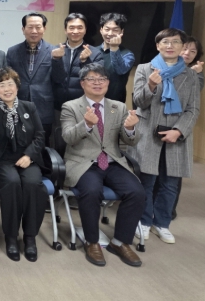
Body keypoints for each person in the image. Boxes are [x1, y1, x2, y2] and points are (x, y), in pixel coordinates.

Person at [61, 63, 145, 267]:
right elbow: (68, 137)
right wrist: (87, 124)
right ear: (83, 83)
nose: (97, 83)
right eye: (92, 79)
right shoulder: (70, 106)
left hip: (113, 161)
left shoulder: (119, 107)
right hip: (83, 162)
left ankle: (120, 242)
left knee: (137, 192)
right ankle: (92, 242)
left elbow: (130, 141)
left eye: (102, 79)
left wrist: (131, 129)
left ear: (108, 83)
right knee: (92, 191)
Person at [131, 28, 200, 244]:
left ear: (182, 47)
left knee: (170, 184)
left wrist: (178, 131)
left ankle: (162, 223)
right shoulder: (144, 69)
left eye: (176, 42)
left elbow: (193, 109)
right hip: (148, 132)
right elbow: (138, 101)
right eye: (165, 42)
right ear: (158, 45)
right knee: (147, 180)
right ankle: (143, 221)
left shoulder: (191, 75)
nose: (170, 46)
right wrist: (151, 85)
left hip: (176, 136)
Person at [0, 67, 48, 262]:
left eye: (10, 84)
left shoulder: (29, 107)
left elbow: (40, 136)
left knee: (32, 184)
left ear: (17, 87)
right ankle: (11, 236)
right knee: (11, 183)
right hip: (2, 159)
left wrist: (29, 155)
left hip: (27, 158)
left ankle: (30, 237)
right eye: (2, 85)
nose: (7, 89)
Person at [6, 13, 65, 145]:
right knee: (17, 143)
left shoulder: (55, 50)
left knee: (41, 144)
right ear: (23, 29)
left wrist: (57, 60)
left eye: (38, 27)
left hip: (43, 108)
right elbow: (8, 81)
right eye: (30, 27)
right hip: (17, 106)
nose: (34, 31)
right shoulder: (12, 51)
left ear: (44, 29)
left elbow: (59, 79)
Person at [168, 36, 204, 218]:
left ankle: (169, 209)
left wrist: (196, 75)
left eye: (193, 51)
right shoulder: (162, 67)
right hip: (158, 124)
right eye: (185, 48)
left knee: (175, 170)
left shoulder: (196, 75)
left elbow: (193, 104)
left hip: (180, 125)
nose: (187, 53)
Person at [53, 13, 103, 112]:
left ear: (85, 30)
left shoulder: (95, 53)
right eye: (71, 28)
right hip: (57, 106)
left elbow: (96, 81)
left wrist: (85, 61)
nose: (75, 31)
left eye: (80, 28)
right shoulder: (55, 51)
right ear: (65, 30)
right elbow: (55, 78)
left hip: (84, 107)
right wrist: (56, 60)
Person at [96, 13, 135, 103]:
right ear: (101, 30)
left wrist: (114, 48)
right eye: (107, 29)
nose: (110, 33)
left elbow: (120, 70)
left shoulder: (127, 54)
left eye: (115, 30)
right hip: (91, 101)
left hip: (115, 103)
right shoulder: (92, 51)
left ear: (122, 32)